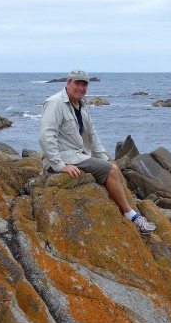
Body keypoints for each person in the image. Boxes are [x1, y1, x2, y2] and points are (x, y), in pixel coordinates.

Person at [39, 69, 156, 234]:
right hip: (64, 157)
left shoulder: (81, 104)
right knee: (112, 170)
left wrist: (104, 158)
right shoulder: (55, 103)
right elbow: (46, 136)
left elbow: (92, 134)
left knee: (110, 165)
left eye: (84, 84)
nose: (81, 87)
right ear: (68, 82)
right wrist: (60, 166)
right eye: (77, 83)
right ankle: (131, 215)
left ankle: (122, 205)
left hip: (77, 155)